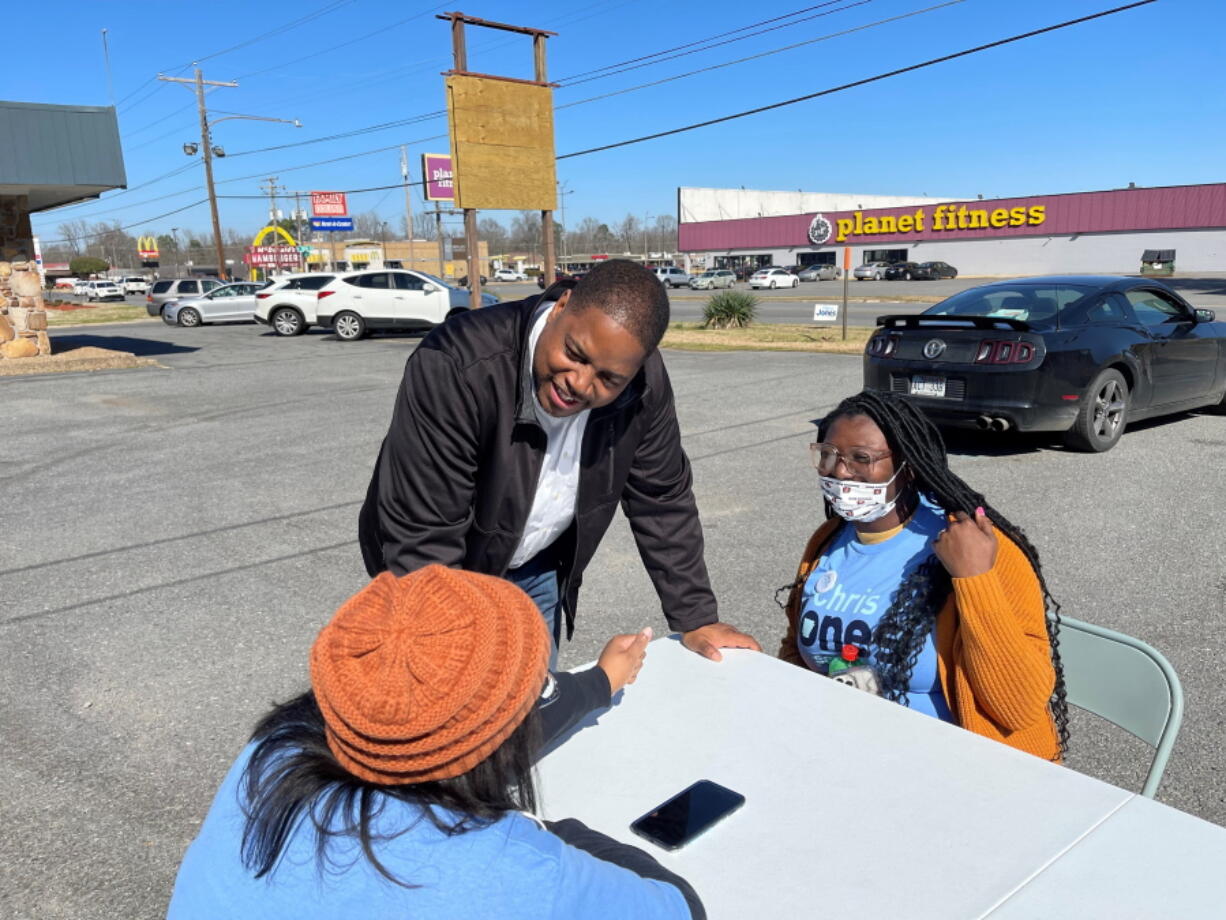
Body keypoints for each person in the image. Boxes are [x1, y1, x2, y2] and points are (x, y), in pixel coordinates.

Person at [168, 565, 705, 919]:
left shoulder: (269, 756)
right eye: (536, 691)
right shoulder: (516, 873)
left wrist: (599, 682)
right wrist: (552, 833)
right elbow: (679, 907)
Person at [359, 259, 758, 663]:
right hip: (442, 567)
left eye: (608, 380)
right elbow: (425, 535)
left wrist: (697, 616)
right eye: (575, 354)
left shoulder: (642, 383)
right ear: (562, 305)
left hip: (537, 565)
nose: (580, 384)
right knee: (457, 700)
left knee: (533, 708)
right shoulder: (458, 365)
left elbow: (661, 497)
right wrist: (445, 644)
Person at [777, 390, 1068, 760]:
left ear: (908, 465)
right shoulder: (828, 540)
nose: (839, 471)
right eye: (828, 455)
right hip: (846, 750)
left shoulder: (975, 547)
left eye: (861, 458)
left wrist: (974, 579)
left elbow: (1019, 708)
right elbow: (796, 651)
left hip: (960, 767)